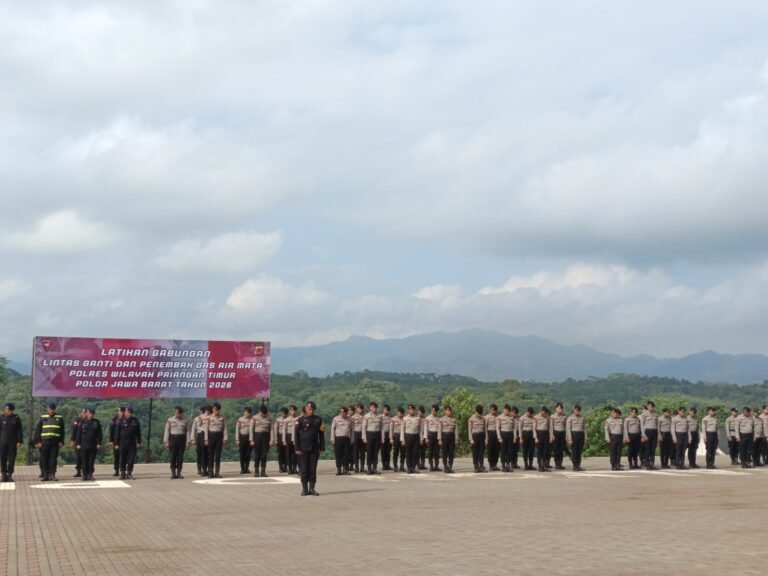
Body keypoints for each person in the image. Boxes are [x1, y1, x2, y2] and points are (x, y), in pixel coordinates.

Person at [295, 400, 325, 496]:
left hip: (314, 448)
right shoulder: (300, 420)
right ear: (306, 409)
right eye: (309, 409)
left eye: (312, 409)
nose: (311, 411)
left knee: (313, 469)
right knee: (304, 469)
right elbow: (296, 435)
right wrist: (297, 448)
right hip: (303, 448)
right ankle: (304, 489)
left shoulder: (318, 419)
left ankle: (312, 488)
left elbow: (321, 434)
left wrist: (322, 447)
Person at [35, 402, 65, 481]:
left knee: (53, 459)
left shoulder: (59, 417)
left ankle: (52, 475)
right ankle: (45, 475)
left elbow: (62, 431)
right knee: (44, 459)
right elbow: (38, 430)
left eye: (52, 409)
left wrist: (61, 441)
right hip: (44, 441)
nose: (51, 411)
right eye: (50, 409)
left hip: (55, 442)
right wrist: (38, 441)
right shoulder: (43, 417)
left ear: (55, 410)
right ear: (47, 409)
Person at [75, 407, 102, 481]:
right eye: (89, 413)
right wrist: (78, 443)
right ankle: (84, 475)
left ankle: (90, 474)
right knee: (84, 461)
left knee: (91, 461)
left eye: (92, 414)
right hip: (83, 444)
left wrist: (99, 443)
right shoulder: (82, 422)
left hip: (93, 444)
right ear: (86, 413)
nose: (91, 415)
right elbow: (78, 433)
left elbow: (100, 434)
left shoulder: (96, 422)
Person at [164, 406, 189, 479]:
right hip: (173, 439)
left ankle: (179, 473)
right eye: (176, 412)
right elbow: (167, 430)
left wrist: (188, 441)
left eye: (178, 413)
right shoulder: (170, 420)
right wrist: (166, 441)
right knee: (173, 457)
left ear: (181, 413)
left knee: (180, 458)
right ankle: (173, 473)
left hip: (181, 440)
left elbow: (188, 431)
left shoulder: (185, 421)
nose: (177, 414)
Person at [0, 402, 23, 482]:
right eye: (6, 409)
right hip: (3, 441)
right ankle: (3, 475)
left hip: (13, 442)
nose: (6, 410)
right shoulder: (1, 417)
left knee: (12, 458)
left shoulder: (16, 418)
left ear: (11, 410)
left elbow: (20, 430)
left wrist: (19, 441)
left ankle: (9, 474)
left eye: (8, 409)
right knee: (3, 458)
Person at [117, 406, 141, 480]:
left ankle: (129, 473)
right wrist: (116, 443)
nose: (128, 413)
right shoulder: (121, 420)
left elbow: (138, 432)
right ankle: (123, 473)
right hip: (123, 442)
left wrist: (139, 441)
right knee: (122, 458)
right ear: (125, 412)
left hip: (132, 442)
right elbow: (117, 433)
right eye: (127, 412)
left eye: (130, 412)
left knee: (131, 458)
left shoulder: (135, 420)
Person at [204, 403, 227, 478]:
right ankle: (210, 472)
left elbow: (225, 429)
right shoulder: (209, 418)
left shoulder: (222, 418)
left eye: (217, 410)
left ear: (219, 410)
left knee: (218, 455)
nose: (216, 411)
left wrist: (225, 438)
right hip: (211, 436)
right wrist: (206, 439)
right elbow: (206, 429)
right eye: (214, 409)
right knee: (211, 455)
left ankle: (217, 472)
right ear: (212, 410)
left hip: (219, 436)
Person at [249, 404, 273, 477]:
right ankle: (256, 472)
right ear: (260, 411)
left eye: (265, 413)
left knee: (264, 455)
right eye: (262, 413)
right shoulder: (254, 417)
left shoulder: (269, 418)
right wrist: (251, 440)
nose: (264, 414)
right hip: (257, 436)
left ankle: (263, 471)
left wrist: (272, 440)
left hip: (266, 437)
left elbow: (271, 429)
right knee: (257, 455)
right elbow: (251, 429)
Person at [362, 402, 383, 475]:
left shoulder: (380, 416)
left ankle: (374, 468)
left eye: (375, 407)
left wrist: (382, 437)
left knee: (376, 452)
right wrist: (364, 437)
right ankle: (369, 468)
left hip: (377, 435)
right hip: (369, 434)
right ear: (370, 408)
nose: (374, 409)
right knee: (369, 452)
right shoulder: (366, 416)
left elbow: (382, 428)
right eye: (373, 407)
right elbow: (364, 427)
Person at [330, 406, 353, 475]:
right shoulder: (336, 419)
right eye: (342, 413)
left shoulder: (350, 419)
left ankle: (345, 469)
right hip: (338, 439)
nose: (344, 415)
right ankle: (339, 469)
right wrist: (332, 439)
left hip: (346, 439)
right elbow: (332, 429)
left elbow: (352, 430)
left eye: (345, 413)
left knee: (346, 455)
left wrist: (352, 439)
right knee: (338, 455)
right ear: (340, 413)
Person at [400, 404, 422, 474]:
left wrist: (421, 439)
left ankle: (413, 467)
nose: (412, 411)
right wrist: (402, 439)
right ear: (408, 410)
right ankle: (409, 468)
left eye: (413, 410)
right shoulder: (404, 418)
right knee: (408, 452)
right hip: (408, 436)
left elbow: (420, 429)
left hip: (416, 436)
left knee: (415, 453)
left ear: (414, 410)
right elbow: (402, 430)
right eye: (410, 410)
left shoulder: (417, 418)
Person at [565, 404, 587, 472]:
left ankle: (578, 465)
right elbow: (568, 429)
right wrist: (569, 439)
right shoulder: (570, 418)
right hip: (574, 434)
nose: (577, 412)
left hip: (581, 435)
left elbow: (584, 429)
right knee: (574, 451)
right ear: (574, 410)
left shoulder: (582, 418)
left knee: (579, 451)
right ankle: (575, 466)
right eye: (576, 410)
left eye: (578, 411)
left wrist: (585, 438)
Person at [191, 405, 211, 476]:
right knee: (200, 453)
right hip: (200, 435)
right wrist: (193, 439)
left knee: (207, 453)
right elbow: (193, 428)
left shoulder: (210, 418)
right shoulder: (197, 418)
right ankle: (200, 469)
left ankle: (206, 469)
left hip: (208, 435)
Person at [497, 404, 517, 473]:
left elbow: (514, 428)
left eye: (508, 411)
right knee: (503, 451)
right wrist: (499, 437)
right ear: (504, 410)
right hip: (503, 434)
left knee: (510, 451)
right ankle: (503, 466)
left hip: (510, 434)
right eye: (506, 410)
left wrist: (515, 437)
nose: (507, 412)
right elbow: (497, 428)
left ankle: (508, 465)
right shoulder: (499, 417)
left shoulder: (512, 417)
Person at [438, 405, 458, 473]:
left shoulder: (454, 419)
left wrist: (456, 439)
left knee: (451, 453)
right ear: (445, 411)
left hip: (451, 437)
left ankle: (450, 467)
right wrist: (440, 439)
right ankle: (445, 467)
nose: (449, 412)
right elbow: (439, 430)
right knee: (444, 453)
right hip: (444, 436)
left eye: (450, 411)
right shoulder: (441, 419)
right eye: (447, 411)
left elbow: (456, 430)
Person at [640, 401, 659, 470]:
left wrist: (658, 435)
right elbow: (642, 425)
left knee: (653, 448)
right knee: (647, 448)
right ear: (647, 406)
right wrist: (643, 434)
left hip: (654, 432)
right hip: (647, 432)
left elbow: (657, 425)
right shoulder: (644, 414)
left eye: (652, 406)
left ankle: (652, 464)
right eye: (650, 406)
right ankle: (647, 464)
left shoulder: (655, 415)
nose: (651, 408)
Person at [468, 404, 487, 473]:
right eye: (478, 413)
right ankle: (476, 467)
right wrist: (471, 439)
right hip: (475, 436)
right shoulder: (471, 419)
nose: (479, 415)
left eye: (480, 413)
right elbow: (469, 430)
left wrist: (486, 439)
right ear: (475, 411)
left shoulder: (483, 419)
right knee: (475, 452)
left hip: (482, 436)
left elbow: (485, 430)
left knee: (481, 452)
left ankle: (481, 466)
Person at [235, 407, 253, 474]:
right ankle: (242, 468)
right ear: (244, 412)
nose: (248, 414)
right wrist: (237, 439)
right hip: (242, 437)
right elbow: (237, 429)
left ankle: (247, 468)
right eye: (246, 412)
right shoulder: (240, 419)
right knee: (242, 454)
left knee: (248, 454)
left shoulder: (252, 419)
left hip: (249, 438)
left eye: (249, 413)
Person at [108, 407, 126, 477]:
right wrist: (111, 440)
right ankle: (116, 470)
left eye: (121, 411)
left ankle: (123, 470)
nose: (119, 413)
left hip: (123, 440)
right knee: (116, 456)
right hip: (115, 440)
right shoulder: (115, 419)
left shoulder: (126, 419)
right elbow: (111, 430)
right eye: (119, 411)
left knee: (123, 456)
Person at [534, 406, 552, 472]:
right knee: (539, 451)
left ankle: (544, 465)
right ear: (541, 411)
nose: (544, 414)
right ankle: (540, 465)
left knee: (545, 450)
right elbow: (534, 428)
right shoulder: (536, 417)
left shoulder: (548, 417)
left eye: (545, 413)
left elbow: (550, 427)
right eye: (543, 413)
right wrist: (535, 437)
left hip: (546, 434)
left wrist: (551, 436)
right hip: (539, 434)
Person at [550, 403, 567, 471]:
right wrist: (552, 435)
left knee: (561, 449)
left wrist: (566, 436)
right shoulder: (553, 417)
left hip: (562, 433)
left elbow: (565, 427)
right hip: (556, 433)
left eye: (561, 408)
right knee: (556, 449)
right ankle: (557, 464)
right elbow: (551, 427)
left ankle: (560, 463)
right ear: (556, 408)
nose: (560, 410)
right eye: (559, 408)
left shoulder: (564, 417)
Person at [424, 404, 441, 472]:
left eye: (436, 411)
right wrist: (426, 438)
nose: (434, 412)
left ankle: (436, 466)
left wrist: (440, 438)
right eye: (433, 410)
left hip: (437, 435)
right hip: (430, 435)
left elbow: (440, 429)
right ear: (431, 410)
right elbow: (425, 428)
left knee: (437, 452)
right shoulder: (427, 418)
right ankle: (431, 466)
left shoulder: (439, 419)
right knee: (430, 452)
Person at [485, 404, 500, 471]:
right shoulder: (487, 417)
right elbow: (485, 428)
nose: (494, 411)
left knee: (496, 449)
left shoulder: (498, 417)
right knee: (490, 449)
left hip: (497, 434)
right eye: (493, 410)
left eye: (495, 410)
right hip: (490, 433)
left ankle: (495, 464)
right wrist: (486, 437)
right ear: (490, 409)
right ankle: (491, 465)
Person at [70, 408, 85, 478]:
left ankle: (86, 471)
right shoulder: (77, 420)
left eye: (84, 412)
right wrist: (72, 440)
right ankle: (78, 471)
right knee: (78, 457)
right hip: (78, 441)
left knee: (84, 457)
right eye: (82, 412)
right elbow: (74, 431)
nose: (83, 413)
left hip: (85, 442)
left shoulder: (89, 421)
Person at [274, 407, 290, 473]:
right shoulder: (278, 420)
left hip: (287, 436)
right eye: (282, 413)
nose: (283, 414)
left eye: (285, 413)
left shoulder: (289, 419)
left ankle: (285, 467)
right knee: (280, 453)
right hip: (280, 436)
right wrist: (275, 439)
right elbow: (275, 430)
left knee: (286, 453)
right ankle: (281, 467)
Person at [351, 403, 365, 473]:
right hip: (356, 434)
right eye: (359, 408)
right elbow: (351, 427)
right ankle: (356, 467)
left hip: (362, 434)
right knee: (356, 451)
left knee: (362, 452)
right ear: (357, 409)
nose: (360, 410)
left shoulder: (365, 417)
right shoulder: (353, 417)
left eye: (361, 409)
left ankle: (362, 467)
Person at [390, 407, 406, 472]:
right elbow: (391, 429)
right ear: (397, 412)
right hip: (396, 436)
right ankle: (395, 466)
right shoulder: (393, 419)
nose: (400, 414)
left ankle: (402, 466)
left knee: (403, 452)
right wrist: (391, 438)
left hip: (403, 437)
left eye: (402, 413)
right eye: (399, 413)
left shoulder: (404, 419)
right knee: (395, 452)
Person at [284, 405, 298, 474]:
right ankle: (289, 468)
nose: (293, 411)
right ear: (289, 411)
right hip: (288, 436)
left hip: (296, 436)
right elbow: (284, 430)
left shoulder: (298, 419)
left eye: (294, 410)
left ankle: (295, 468)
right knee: (288, 453)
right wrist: (284, 440)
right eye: (291, 410)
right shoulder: (286, 420)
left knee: (296, 453)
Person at [380, 405, 393, 471]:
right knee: (383, 451)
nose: (386, 411)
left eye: (387, 410)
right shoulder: (380, 417)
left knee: (388, 451)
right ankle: (384, 465)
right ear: (383, 410)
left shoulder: (390, 418)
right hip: (382, 435)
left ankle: (388, 464)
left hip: (389, 435)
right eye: (385, 409)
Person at [418, 406, 428, 470]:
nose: (421, 413)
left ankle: (422, 464)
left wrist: (425, 437)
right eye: (420, 412)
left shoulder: (425, 419)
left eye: (422, 412)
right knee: (417, 452)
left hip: (424, 437)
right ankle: (418, 465)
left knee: (423, 452)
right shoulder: (416, 418)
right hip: (417, 437)